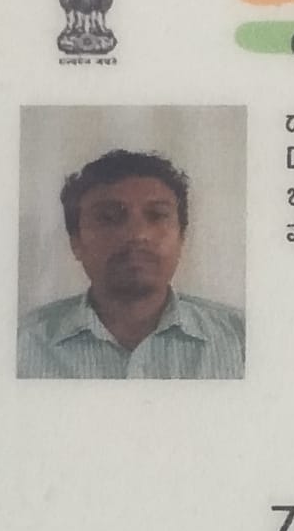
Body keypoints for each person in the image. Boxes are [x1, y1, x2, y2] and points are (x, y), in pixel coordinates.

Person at [18, 149, 245, 379]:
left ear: (181, 237)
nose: (137, 234)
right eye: (108, 217)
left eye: (157, 215)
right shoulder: (22, 345)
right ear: (75, 241)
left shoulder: (241, 340)